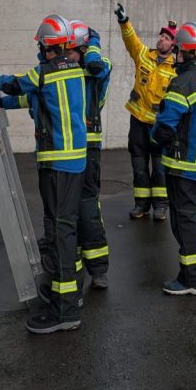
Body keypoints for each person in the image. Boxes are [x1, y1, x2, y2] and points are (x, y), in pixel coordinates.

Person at [0, 14, 87, 335]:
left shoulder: (46, 72)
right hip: (71, 163)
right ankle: (65, 295)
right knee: (61, 230)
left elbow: (14, 84)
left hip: (58, 163)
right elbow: (30, 98)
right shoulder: (71, 70)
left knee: (61, 232)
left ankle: (65, 311)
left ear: (45, 45)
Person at [151, 21, 196, 296]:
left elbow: (166, 127)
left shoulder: (181, 84)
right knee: (192, 218)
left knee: (183, 222)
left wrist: (153, 138)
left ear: (181, 52)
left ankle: (191, 280)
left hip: (183, 165)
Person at [115, 2, 177, 220]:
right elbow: (131, 40)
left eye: (167, 38)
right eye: (161, 36)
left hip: (159, 126)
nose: (162, 39)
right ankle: (141, 204)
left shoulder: (176, 68)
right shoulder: (144, 55)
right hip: (138, 121)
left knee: (159, 167)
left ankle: (161, 206)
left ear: (173, 45)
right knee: (139, 165)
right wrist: (124, 21)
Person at [68, 20, 112, 289]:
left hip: (88, 145)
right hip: (63, 148)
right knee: (65, 209)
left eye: (72, 49)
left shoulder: (97, 67)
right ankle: (70, 264)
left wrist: (92, 44)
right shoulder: (61, 68)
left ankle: (97, 268)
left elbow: (97, 65)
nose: (66, 54)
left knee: (87, 206)